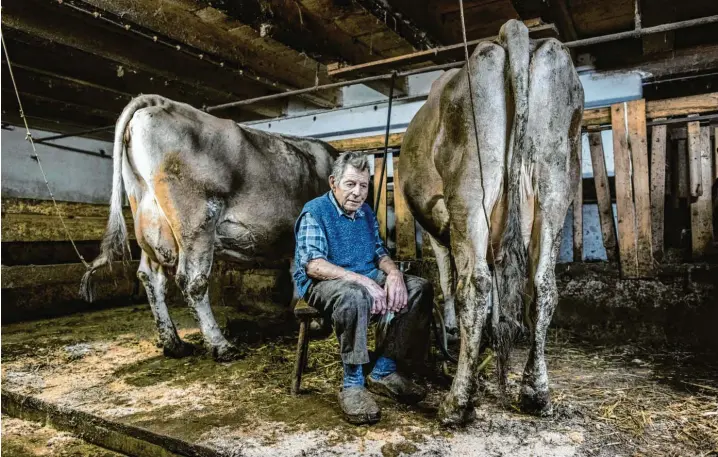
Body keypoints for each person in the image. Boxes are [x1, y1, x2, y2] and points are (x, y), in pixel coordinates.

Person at [293, 151, 433, 425]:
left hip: (363, 276)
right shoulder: (315, 211)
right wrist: (364, 281)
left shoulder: (365, 212)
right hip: (323, 282)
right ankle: (353, 382)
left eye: (364, 186)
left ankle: (383, 369)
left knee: (419, 288)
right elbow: (313, 265)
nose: (358, 193)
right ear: (334, 183)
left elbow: (379, 252)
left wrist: (393, 273)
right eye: (350, 184)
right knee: (354, 296)